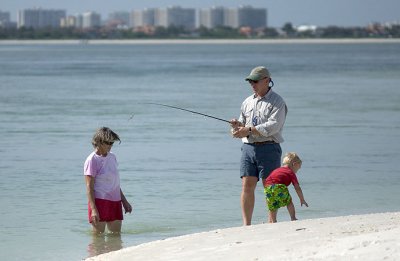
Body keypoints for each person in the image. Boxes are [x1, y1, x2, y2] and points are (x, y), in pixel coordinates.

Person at [230, 66, 287, 226]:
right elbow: (244, 124)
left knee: (270, 186)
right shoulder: (247, 102)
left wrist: (247, 129)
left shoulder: (277, 101)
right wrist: (237, 127)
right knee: (247, 185)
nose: (252, 84)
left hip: (269, 147)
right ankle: (246, 224)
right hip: (248, 148)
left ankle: (272, 221)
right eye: (250, 81)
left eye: (255, 81)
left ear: (267, 81)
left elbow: (273, 126)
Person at [84, 127, 132, 234]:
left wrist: (124, 201)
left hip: (115, 201)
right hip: (99, 202)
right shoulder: (92, 160)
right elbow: (89, 187)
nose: (110, 146)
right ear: (99, 142)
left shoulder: (113, 157)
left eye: (112, 143)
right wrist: (94, 210)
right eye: (107, 143)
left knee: (116, 237)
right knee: (98, 239)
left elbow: (114, 183)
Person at [263, 152, 308, 223]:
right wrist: (302, 199)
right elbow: (297, 187)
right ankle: (293, 218)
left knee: (272, 205)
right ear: (294, 164)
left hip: (267, 188)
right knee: (289, 202)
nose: (297, 171)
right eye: (298, 168)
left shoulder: (277, 170)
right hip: (279, 187)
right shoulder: (290, 172)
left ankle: (273, 221)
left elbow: (269, 179)